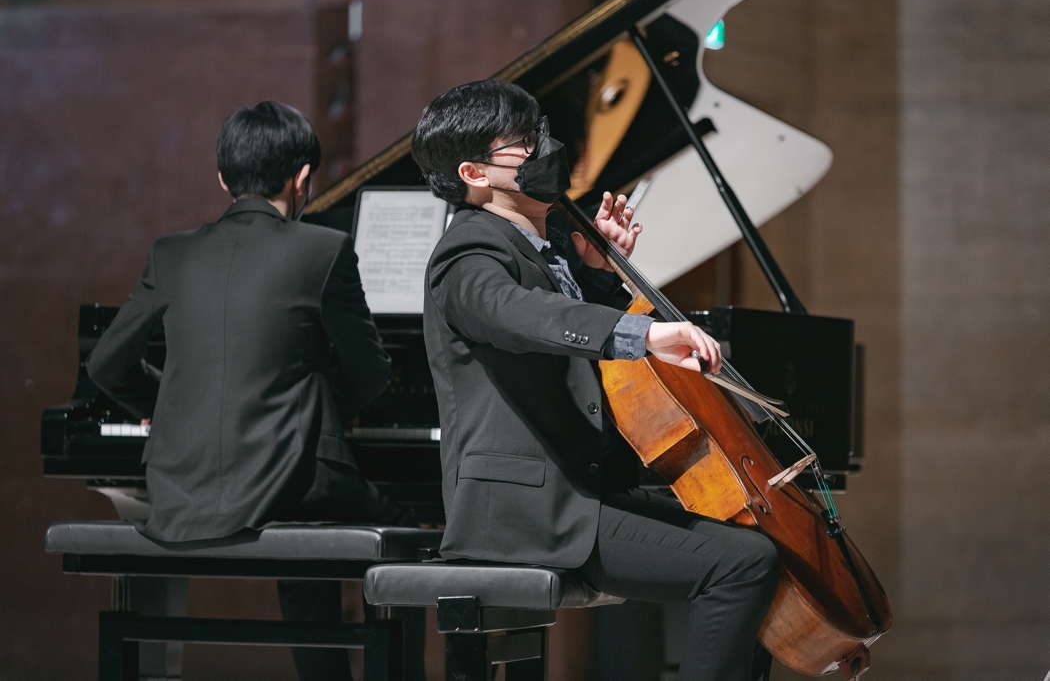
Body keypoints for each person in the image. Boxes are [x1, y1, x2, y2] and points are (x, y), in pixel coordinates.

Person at [414, 79, 779, 681]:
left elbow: (564, 349)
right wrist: (645, 332)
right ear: (474, 173)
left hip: (579, 490)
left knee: (758, 544)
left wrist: (598, 274)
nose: (544, 150)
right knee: (741, 565)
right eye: (523, 144)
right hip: (524, 510)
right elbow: (523, 316)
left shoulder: (538, 245)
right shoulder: (469, 250)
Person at [87, 100, 407, 680]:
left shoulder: (171, 253)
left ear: (222, 178)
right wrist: (321, 410)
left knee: (312, 516)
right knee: (412, 528)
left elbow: (107, 366)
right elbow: (372, 372)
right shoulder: (323, 251)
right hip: (295, 487)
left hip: (178, 489)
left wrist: (168, 409)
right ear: (303, 179)